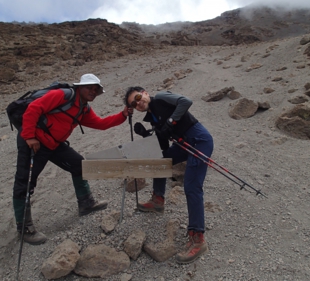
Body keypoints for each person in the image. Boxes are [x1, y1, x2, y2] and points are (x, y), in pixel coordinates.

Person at [13, 74, 132, 245]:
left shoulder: (84, 108)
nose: (92, 91)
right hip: (35, 141)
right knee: (25, 182)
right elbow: (33, 108)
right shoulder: (63, 95)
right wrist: (30, 136)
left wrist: (123, 114)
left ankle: (86, 204)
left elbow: (101, 124)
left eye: (95, 89)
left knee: (79, 165)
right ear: (79, 87)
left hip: (54, 143)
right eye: (89, 88)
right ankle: (24, 228)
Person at [124, 86, 214, 264]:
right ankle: (158, 200)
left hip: (199, 141)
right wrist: (148, 135)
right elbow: (164, 145)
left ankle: (198, 239)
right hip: (184, 145)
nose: (138, 102)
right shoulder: (152, 117)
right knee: (159, 159)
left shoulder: (162, 98)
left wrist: (171, 122)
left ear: (146, 93)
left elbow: (186, 101)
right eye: (134, 103)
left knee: (191, 187)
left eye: (139, 97)